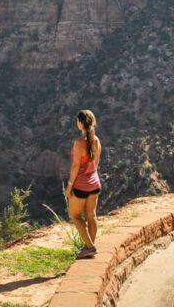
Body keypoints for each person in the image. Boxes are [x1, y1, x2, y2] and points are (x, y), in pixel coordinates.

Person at [66, 109, 101, 259]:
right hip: (95, 183)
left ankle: (90, 247)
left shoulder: (79, 143)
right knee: (91, 216)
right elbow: (96, 163)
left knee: (75, 216)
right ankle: (89, 248)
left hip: (80, 185)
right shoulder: (97, 140)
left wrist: (69, 185)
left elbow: (75, 166)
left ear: (80, 123)